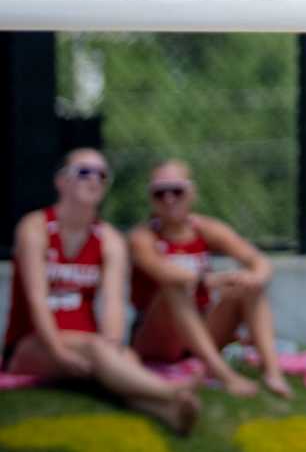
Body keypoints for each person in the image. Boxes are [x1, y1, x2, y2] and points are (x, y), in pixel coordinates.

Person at [3, 148, 201, 435]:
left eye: (102, 175)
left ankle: (168, 412)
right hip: (33, 344)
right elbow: (36, 299)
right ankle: (171, 390)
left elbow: (113, 304)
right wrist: (59, 352)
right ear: (61, 182)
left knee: (122, 362)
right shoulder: (35, 227)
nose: (94, 180)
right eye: (84, 172)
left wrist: (114, 346)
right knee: (100, 353)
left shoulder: (109, 238)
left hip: (88, 343)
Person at [125, 157, 290, 398]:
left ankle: (273, 372)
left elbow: (260, 262)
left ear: (191, 193)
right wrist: (211, 279)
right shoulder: (142, 237)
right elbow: (163, 272)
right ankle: (225, 376)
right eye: (160, 193)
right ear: (151, 198)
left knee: (250, 287)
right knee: (175, 287)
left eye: (176, 191)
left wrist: (251, 278)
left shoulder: (206, 228)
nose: (169, 199)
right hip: (155, 336)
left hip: (200, 329)